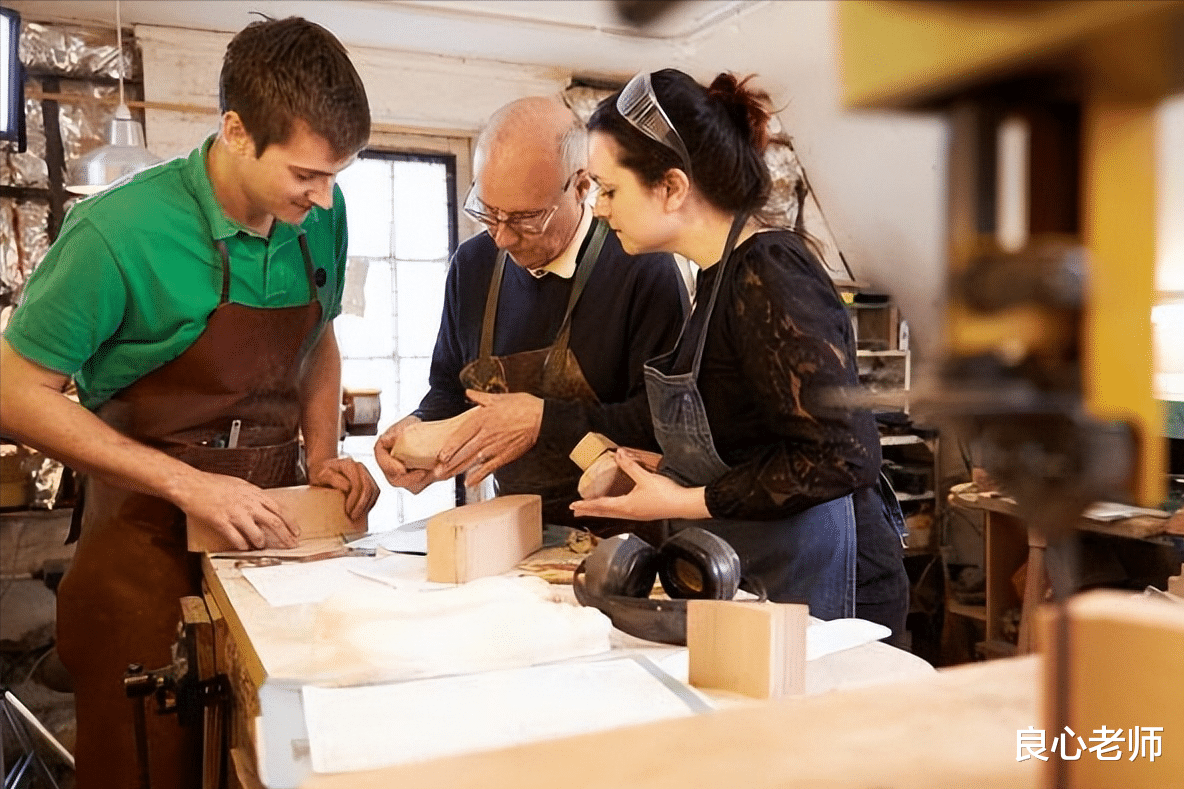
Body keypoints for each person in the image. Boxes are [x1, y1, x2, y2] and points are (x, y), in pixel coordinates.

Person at [0, 17, 379, 788]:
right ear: (237, 131)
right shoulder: (115, 233)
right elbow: (12, 392)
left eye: (338, 174)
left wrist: (326, 454)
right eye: (307, 174)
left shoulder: (321, 219)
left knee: (276, 757)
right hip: (143, 542)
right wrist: (185, 481)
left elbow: (318, 341)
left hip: (272, 541)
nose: (326, 195)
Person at [572, 69, 909, 639]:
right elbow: (754, 439)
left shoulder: (769, 274)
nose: (600, 209)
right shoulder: (715, 276)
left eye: (609, 190)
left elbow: (842, 456)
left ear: (673, 187)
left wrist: (684, 499)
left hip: (834, 591)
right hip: (765, 575)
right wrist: (650, 468)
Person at [374, 96, 687, 535]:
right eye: (488, 212)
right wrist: (418, 429)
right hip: (511, 531)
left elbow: (666, 424)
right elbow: (449, 390)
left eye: (525, 218)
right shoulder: (473, 266)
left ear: (580, 187)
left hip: (625, 538)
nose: (501, 237)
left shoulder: (642, 267)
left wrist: (545, 419)